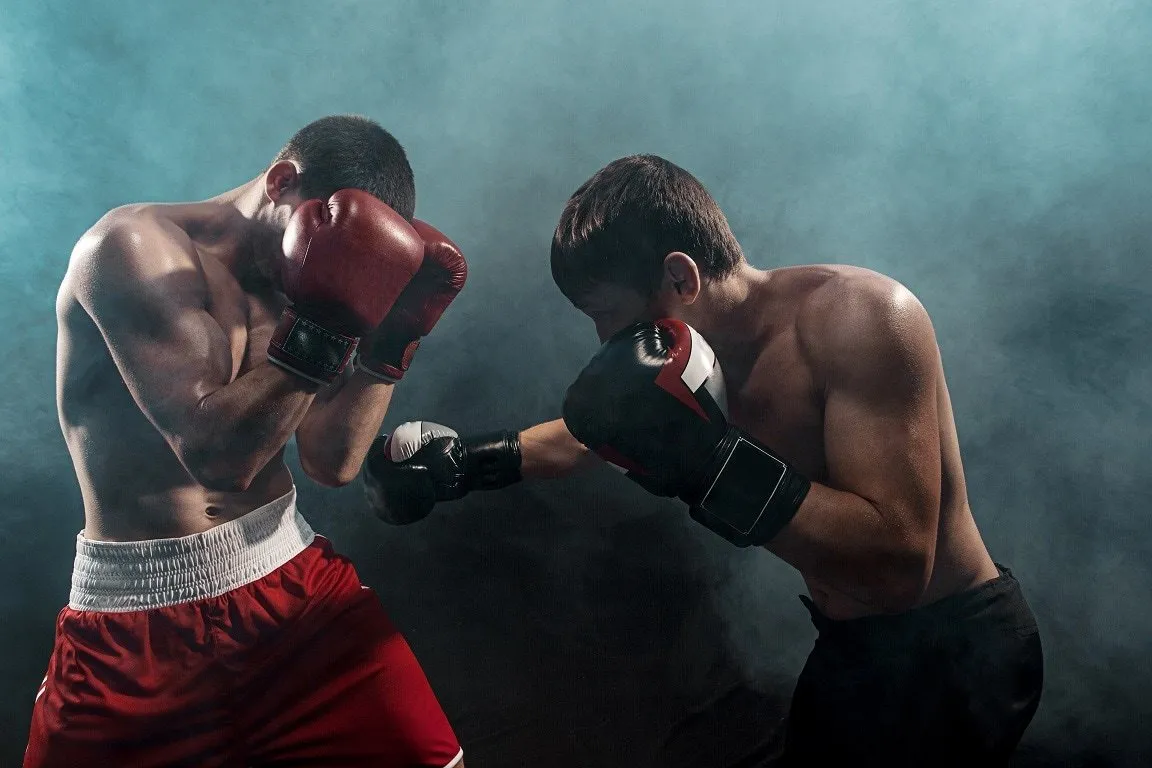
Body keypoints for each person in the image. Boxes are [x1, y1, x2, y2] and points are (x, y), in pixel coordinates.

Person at [365, 155, 1044, 766]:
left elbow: (898, 566)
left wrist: (711, 464)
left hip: (955, 650)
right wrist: (471, 463)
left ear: (681, 275)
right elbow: (592, 436)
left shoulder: (861, 318)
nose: (605, 341)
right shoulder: (691, 363)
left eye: (608, 315)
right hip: (855, 652)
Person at [28, 115, 469, 768]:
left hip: (293, 594)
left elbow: (332, 460)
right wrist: (326, 327)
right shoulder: (129, 248)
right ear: (282, 182)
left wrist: (388, 344)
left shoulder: (306, 286)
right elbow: (218, 459)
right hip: (135, 631)